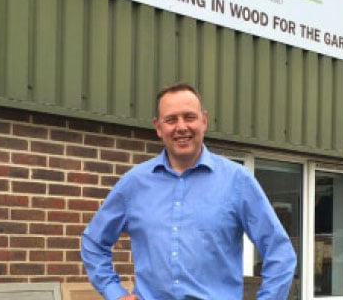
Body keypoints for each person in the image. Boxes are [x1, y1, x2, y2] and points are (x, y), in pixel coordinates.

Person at [81, 82, 296, 300]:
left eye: (189, 117)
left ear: (204, 121)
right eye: (171, 119)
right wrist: (114, 292)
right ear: (158, 127)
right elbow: (93, 242)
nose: (181, 127)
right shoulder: (133, 184)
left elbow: (280, 253)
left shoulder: (237, 181)